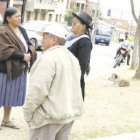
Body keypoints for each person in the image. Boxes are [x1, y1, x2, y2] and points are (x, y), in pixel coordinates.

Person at [23, 24, 83, 140]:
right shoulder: (72, 58)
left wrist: (27, 113)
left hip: (48, 117)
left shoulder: (48, 58)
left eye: (44, 37)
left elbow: (37, 90)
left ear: (54, 39)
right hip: (67, 115)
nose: (41, 40)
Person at [0, 7, 37, 130]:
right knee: (1, 94)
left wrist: (30, 53)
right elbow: (3, 49)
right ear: (8, 18)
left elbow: (29, 44)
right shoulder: (2, 30)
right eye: (17, 16)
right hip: (5, 69)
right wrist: (22, 56)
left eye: (20, 16)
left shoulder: (22, 30)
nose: (19, 18)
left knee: (10, 95)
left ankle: (6, 120)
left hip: (19, 69)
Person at [65, 11, 93, 101]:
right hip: (64, 79)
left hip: (72, 84)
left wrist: (72, 83)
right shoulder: (70, 37)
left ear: (83, 26)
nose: (72, 24)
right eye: (72, 22)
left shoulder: (84, 42)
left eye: (75, 23)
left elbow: (82, 66)